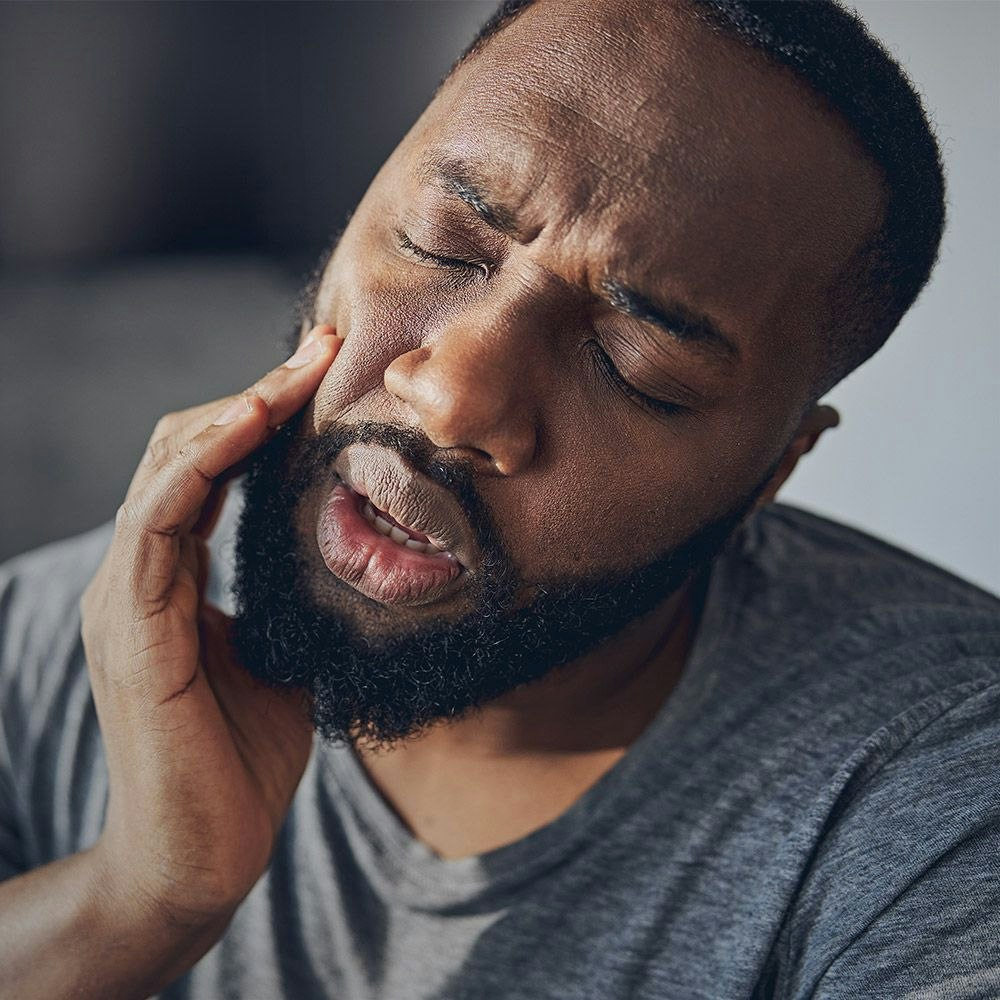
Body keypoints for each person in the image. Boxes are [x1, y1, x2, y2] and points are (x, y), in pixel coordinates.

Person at [1, 0, 998, 997]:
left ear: (766, 478)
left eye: (636, 364)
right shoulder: (51, 650)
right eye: (444, 245)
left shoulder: (943, 792)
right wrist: (133, 900)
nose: (452, 396)